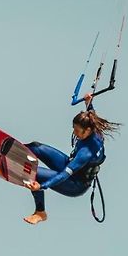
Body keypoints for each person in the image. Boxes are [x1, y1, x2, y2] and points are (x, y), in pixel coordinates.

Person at [23, 93, 120, 225]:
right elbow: (91, 114)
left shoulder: (86, 152)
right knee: (36, 147)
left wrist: (42, 186)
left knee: (34, 174)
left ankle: (40, 212)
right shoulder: (92, 125)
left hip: (75, 184)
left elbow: (64, 175)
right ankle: (10, 152)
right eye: (74, 128)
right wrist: (89, 102)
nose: (75, 133)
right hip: (68, 165)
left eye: (78, 131)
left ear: (87, 130)